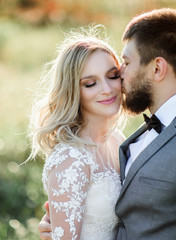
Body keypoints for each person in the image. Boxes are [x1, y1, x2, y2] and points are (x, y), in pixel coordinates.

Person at [38, 8, 176, 240]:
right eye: (91, 83)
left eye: (125, 64)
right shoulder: (132, 138)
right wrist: (62, 224)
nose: (120, 75)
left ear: (157, 68)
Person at [29, 26, 126, 240]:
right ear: (73, 90)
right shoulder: (71, 159)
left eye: (112, 76)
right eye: (90, 83)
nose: (107, 89)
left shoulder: (119, 141)